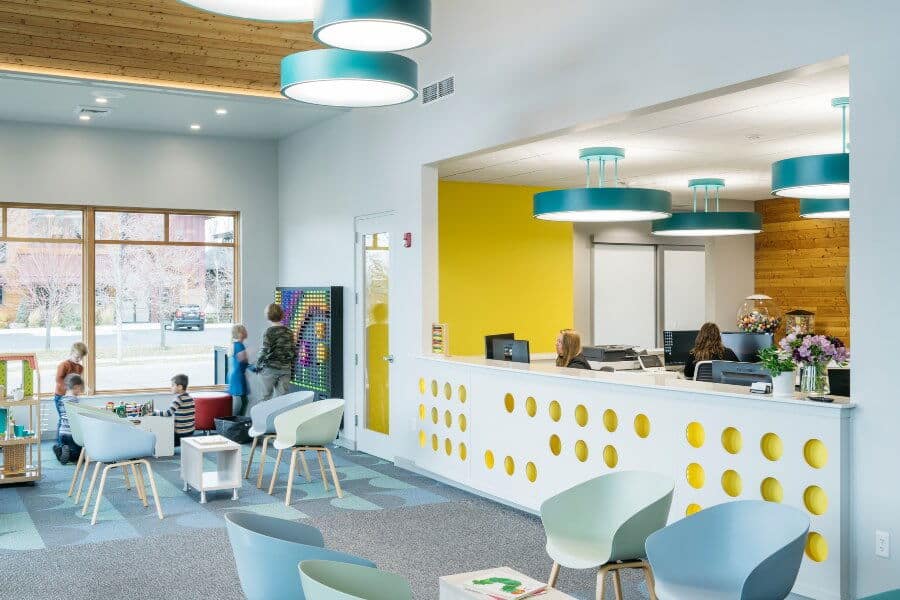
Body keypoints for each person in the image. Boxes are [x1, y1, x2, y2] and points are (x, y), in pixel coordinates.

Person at [252, 303, 297, 401]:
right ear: (282, 315)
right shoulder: (289, 332)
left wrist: (257, 365)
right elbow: (293, 351)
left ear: (268, 316)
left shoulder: (269, 332)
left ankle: (262, 416)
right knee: (281, 400)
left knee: (265, 397)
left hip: (269, 369)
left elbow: (265, 351)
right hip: (285, 369)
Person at [53, 342, 87, 448]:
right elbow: (58, 379)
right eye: (77, 356)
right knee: (63, 419)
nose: (78, 359)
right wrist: (68, 389)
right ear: (72, 353)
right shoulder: (64, 365)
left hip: (72, 397)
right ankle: (60, 445)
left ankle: (70, 444)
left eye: (81, 357)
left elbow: (77, 381)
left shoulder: (80, 368)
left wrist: (80, 389)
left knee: (71, 420)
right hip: (61, 396)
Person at [154, 374, 195, 447]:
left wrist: (155, 412)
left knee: (162, 440)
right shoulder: (190, 398)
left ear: (180, 387)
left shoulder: (179, 399)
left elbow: (168, 413)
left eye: (173, 385)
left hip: (180, 433)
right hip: (190, 431)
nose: (171, 388)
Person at [53, 373, 84, 465]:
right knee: (79, 457)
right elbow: (77, 417)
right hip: (72, 434)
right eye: (80, 388)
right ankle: (66, 453)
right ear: (76, 387)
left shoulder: (61, 400)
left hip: (62, 432)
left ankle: (60, 450)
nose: (80, 391)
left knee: (68, 447)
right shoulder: (75, 401)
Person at [228, 324, 250, 416]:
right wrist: (255, 368)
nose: (246, 331)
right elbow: (243, 362)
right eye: (244, 330)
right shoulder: (239, 346)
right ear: (241, 333)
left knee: (242, 401)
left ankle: (237, 422)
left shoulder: (233, 345)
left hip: (233, 376)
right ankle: (238, 423)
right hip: (238, 376)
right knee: (242, 402)